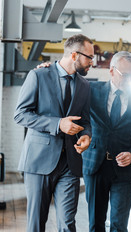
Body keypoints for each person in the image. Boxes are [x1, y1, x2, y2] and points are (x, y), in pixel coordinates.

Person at [14, 34, 93, 232]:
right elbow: (20, 115)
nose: (92, 62)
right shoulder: (38, 75)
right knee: (37, 223)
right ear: (74, 55)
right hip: (39, 162)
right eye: (89, 57)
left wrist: (87, 136)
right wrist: (58, 124)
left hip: (70, 164)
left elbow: (85, 120)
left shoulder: (84, 85)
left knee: (68, 224)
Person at [82, 51, 131, 232]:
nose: (130, 80)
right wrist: (47, 68)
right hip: (96, 166)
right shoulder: (91, 90)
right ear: (112, 71)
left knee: (119, 225)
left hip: (124, 170)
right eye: (125, 75)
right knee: (96, 223)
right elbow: (67, 79)